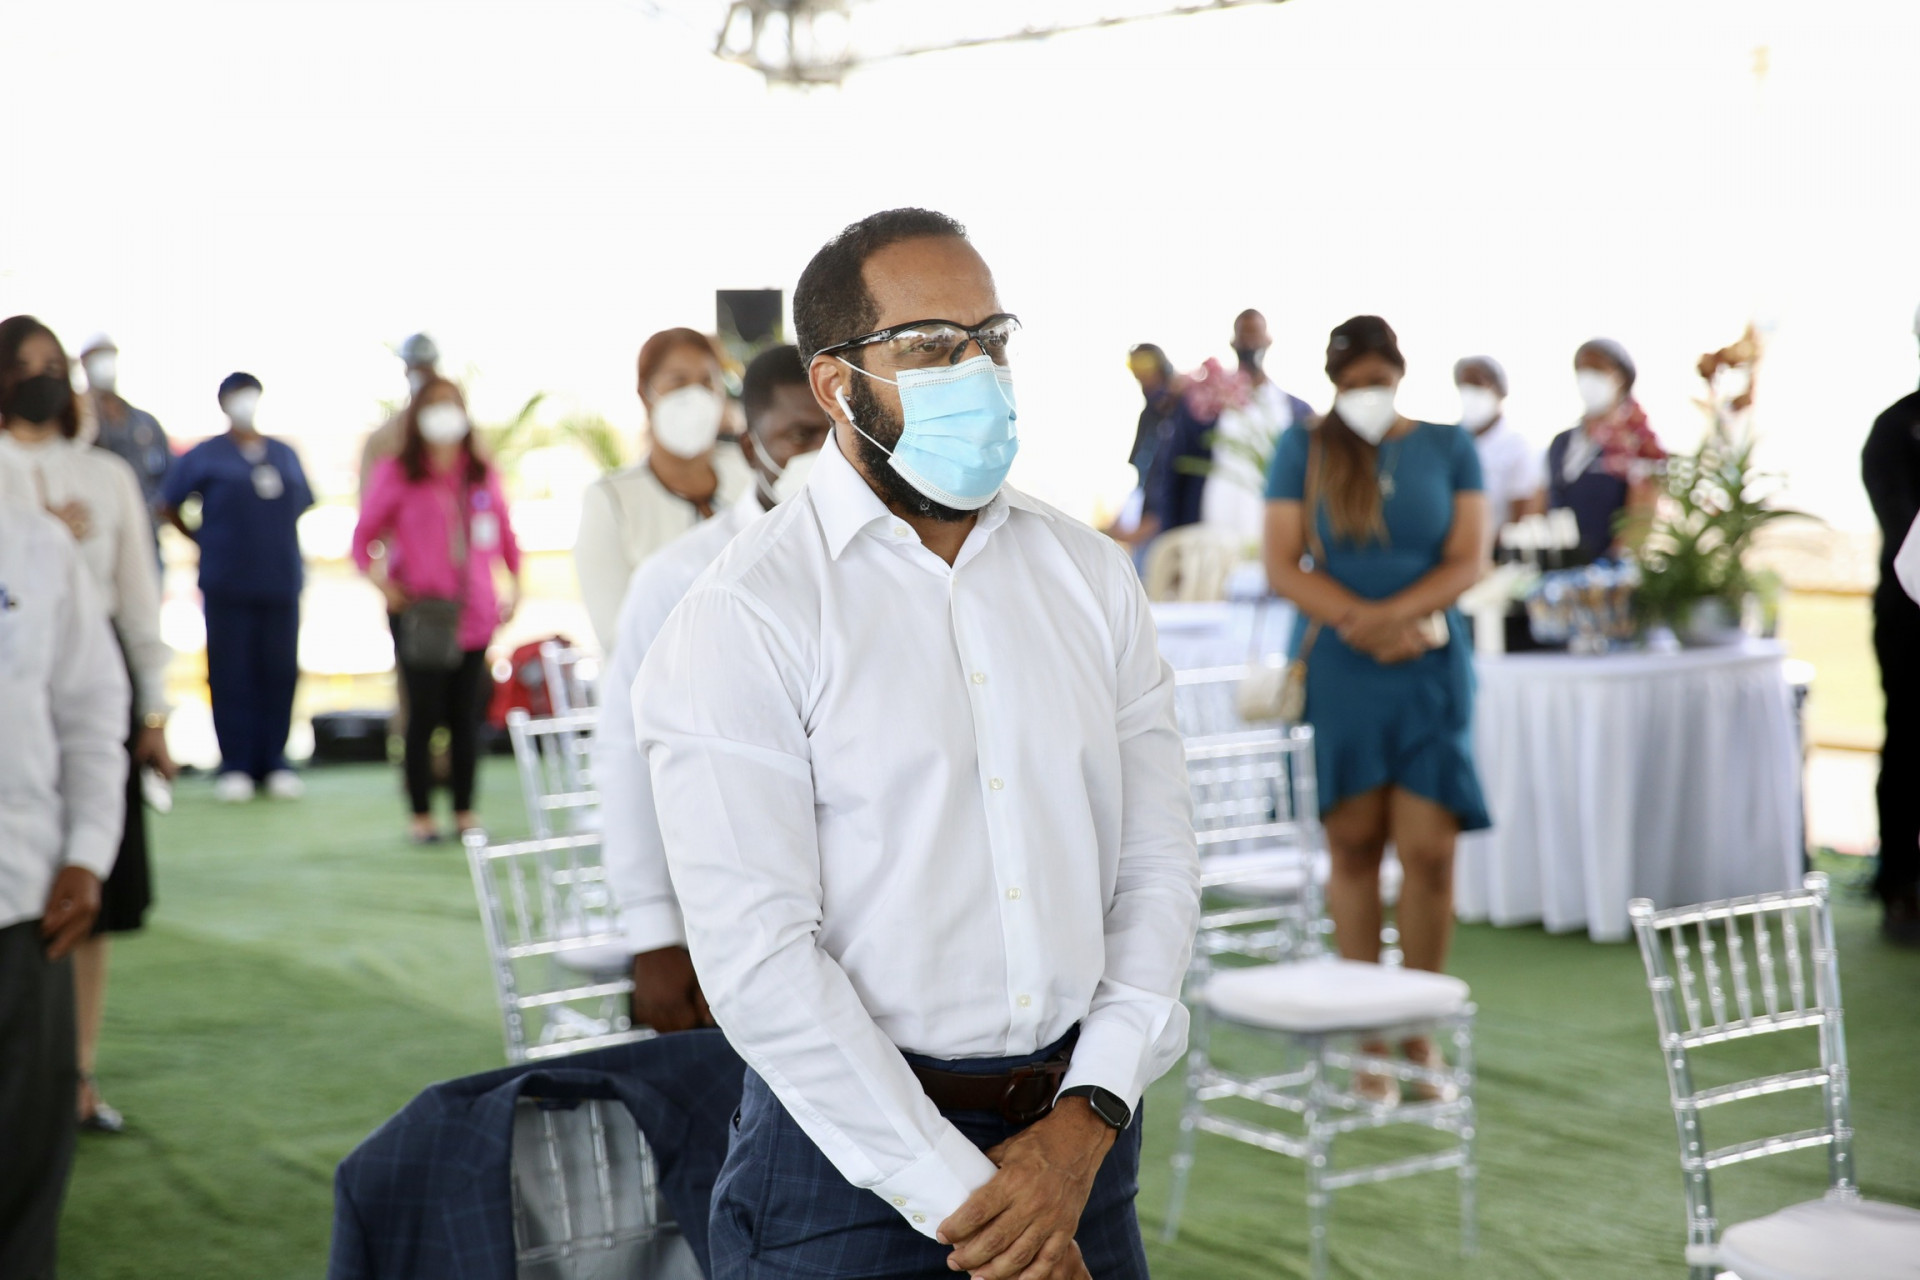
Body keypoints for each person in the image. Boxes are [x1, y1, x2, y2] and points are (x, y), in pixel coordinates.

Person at [636, 208, 1199, 1280]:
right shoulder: (747, 614)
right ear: (835, 384)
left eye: (992, 338)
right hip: (847, 1174)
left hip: (1079, 1143)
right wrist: (985, 1212)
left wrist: (1085, 1121)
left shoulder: (1089, 577)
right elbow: (760, 958)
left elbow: (1158, 868)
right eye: (933, 345)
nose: (976, 370)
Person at [1263, 315, 1490, 1102]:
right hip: (1342, 666)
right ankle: (1368, 1040)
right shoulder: (1303, 449)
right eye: (1352, 383)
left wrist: (1397, 620)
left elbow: (1469, 556)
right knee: (1354, 849)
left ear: (1399, 374)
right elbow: (1282, 562)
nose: (1366, 393)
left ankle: (1418, 1031)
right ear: (1334, 383)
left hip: (1428, 664)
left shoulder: (1449, 447)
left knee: (1430, 853)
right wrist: (1363, 624)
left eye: (1377, 380)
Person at [597, 345, 830, 1031]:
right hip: (732, 922)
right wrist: (655, 934)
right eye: (799, 435)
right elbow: (626, 752)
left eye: (838, 432)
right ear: (752, 446)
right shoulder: (681, 578)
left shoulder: (903, 559)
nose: (826, 455)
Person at [0, 316, 176, 1136]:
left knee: (85, 889)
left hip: (91, 685)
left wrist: (153, 710)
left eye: (52, 364)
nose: (40, 378)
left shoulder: (106, 476)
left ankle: (76, 1072)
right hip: (17, 691)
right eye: (22, 366)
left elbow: (139, 599)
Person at [0, 493, 130, 1279]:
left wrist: (87, 851)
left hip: (24, 901)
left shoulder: (35, 543)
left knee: (22, 1166)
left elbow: (91, 709)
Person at [352, 377, 522, 843]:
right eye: (434, 405)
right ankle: (421, 813)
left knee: (467, 716)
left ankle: (465, 810)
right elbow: (363, 537)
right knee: (423, 716)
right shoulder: (398, 472)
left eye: (451, 403)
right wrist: (383, 584)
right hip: (421, 615)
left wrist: (516, 583)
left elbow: (505, 532)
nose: (444, 413)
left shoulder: (480, 472)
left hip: (475, 614)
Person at [159, 373, 313, 803]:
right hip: (227, 582)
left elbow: (302, 503)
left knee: (279, 671)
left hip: (279, 581)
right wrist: (203, 540)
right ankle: (237, 763)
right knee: (231, 673)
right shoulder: (206, 456)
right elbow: (168, 503)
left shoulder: (283, 453)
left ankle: (274, 760)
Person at [573, 328, 752, 648]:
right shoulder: (611, 500)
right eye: (678, 382)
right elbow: (617, 636)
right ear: (645, 394)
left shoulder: (750, 472)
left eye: (707, 382)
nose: (695, 397)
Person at [1148, 310, 1314, 549]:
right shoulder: (1205, 403)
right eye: (1243, 337)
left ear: (1268, 340)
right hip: (1211, 528)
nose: (1250, 345)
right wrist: (1171, 539)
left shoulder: (1294, 410)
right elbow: (1175, 472)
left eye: (1255, 336)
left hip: (1272, 530)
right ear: (1233, 343)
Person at [1862, 302, 1920, 945]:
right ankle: (1900, 883)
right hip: (1909, 618)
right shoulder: (1896, 428)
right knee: (1907, 742)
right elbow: (1906, 534)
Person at [1546, 338, 1665, 564]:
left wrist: (1611, 566)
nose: (1588, 378)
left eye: (1597, 369)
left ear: (1621, 378)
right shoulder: (1561, 443)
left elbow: (1640, 519)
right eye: (1582, 369)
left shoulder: (1640, 442)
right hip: (1561, 566)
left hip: (1610, 571)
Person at [78, 334, 172, 549]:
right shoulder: (76, 421)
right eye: (97, 357)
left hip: (147, 535)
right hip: (98, 537)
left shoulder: (145, 423)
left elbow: (167, 476)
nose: (104, 364)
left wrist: (156, 509)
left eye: (108, 356)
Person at [1454, 355, 1545, 550]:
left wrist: (1492, 550)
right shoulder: (1450, 440)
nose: (1469, 393)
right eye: (1464, 385)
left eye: (1477, 384)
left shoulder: (1517, 445)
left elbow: (1521, 512)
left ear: (1499, 390)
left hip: (1496, 550)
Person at [1103, 344, 1178, 552]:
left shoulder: (1182, 414)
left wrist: (1153, 522)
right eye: (1134, 366)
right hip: (1145, 527)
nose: (1141, 375)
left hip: (1170, 532)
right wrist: (1120, 521)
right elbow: (1142, 480)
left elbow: (1179, 482)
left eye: (1146, 365)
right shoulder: (1148, 416)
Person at [358, 332, 441, 501]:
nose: (421, 375)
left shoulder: (461, 435)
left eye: (426, 368)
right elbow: (370, 503)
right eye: (415, 367)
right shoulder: (382, 440)